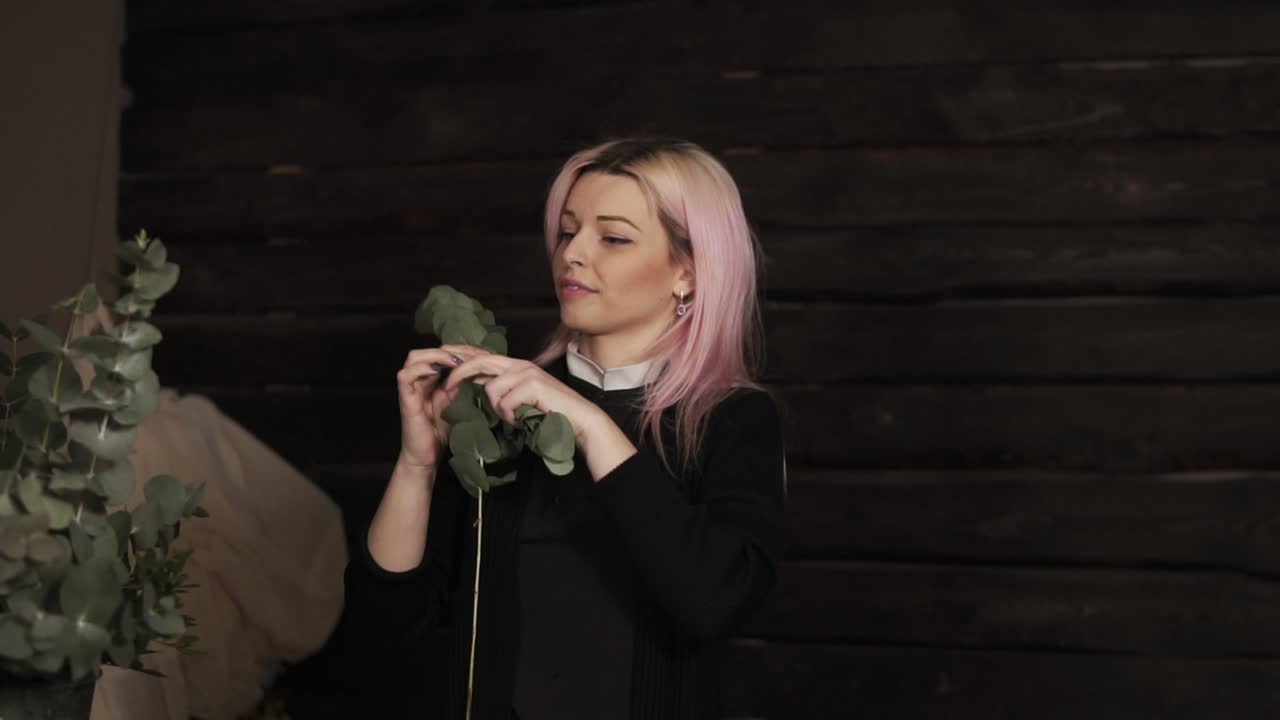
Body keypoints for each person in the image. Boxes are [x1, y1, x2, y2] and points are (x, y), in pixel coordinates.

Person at [341, 136, 788, 719]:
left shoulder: (732, 417)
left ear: (689, 272)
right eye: (567, 231)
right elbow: (383, 629)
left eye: (613, 237)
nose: (572, 254)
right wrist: (416, 466)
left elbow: (714, 603)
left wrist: (592, 427)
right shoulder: (498, 405)